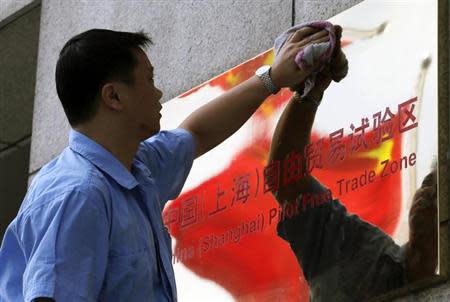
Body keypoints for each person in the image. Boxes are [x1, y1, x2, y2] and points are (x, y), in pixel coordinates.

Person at [0, 27, 334, 302]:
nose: (158, 92)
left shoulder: (134, 167)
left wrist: (274, 77)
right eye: (148, 79)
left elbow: (197, 134)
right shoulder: (78, 194)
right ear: (113, 97)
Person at [268, 33, 438, 301]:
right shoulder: (362, 251)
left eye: (439, 191)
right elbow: (286, 179)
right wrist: (311, 91)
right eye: (428, 184)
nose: (427, 196)